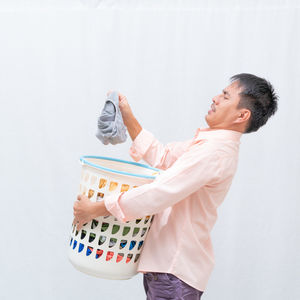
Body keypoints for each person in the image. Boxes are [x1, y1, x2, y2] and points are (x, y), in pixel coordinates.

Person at [73, 73, 278, 299]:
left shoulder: (214, 153)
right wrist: (127, 115)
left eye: (225, 96)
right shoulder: (210, 145)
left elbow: (159, 193)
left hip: (174, 271)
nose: (215, 98)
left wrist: (95, 209)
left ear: (242, 115)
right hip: (169, 272)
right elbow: (164, 157)